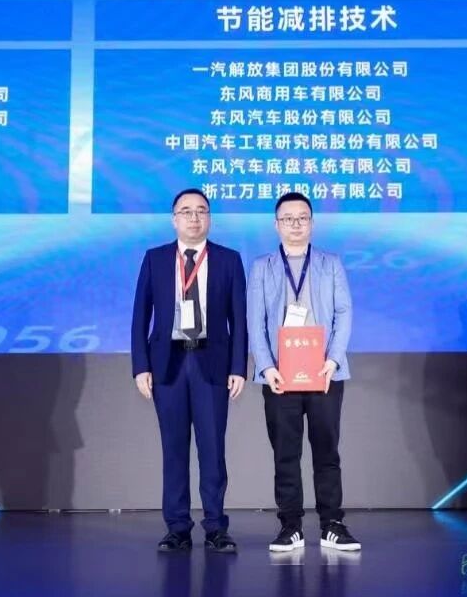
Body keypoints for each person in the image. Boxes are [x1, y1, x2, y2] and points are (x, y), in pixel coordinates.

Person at [131, 188, 247, 553]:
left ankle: (215, 527)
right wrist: (140, 366)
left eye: (201, 211)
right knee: (174, 450)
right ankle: (177, 528)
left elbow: (239, 319)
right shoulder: (155, 259)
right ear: (174, 219)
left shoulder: (229, 259)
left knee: (213, 449)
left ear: (209, 218)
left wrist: (239, 367)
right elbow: (140, 316)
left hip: (212, 363)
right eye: (186, 211)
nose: (194, 218)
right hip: (168, 365)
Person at [247, 191, 360, 552]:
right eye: (288, 218)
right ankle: (290, 526)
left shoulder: (330, 263)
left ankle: (332, 525)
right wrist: (266, 366)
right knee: (286, 454)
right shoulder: (262, 266)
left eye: (302, 218)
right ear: (276, 224)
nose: (295, 224)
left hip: (324, 372)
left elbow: (344, 312)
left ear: (312, 223)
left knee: (327, 452)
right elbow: (255, 321)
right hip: (280, 375)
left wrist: (333, 360)